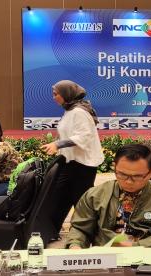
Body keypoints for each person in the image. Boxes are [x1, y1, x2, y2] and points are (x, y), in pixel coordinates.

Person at [66, 144, 151, 248]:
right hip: (106, 256)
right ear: (114, 168)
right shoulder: (95, 195)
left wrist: (137, 245)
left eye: (137, 176)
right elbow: (80, 228)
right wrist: (75, 245)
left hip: (148, 256)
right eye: (122, 174)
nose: (129, 181)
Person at [41, 80, 104, 235]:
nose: (54, 97)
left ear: (66, 94)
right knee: (60, 197)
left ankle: (86, 233)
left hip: (82, 165)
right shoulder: (70, 110)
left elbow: (84, 136)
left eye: (56, 94)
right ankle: (51, 230)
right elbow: (71, 134)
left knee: (81, 201)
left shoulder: (79, 112)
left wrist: (58, 144)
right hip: (71, 163)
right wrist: (56, 143)